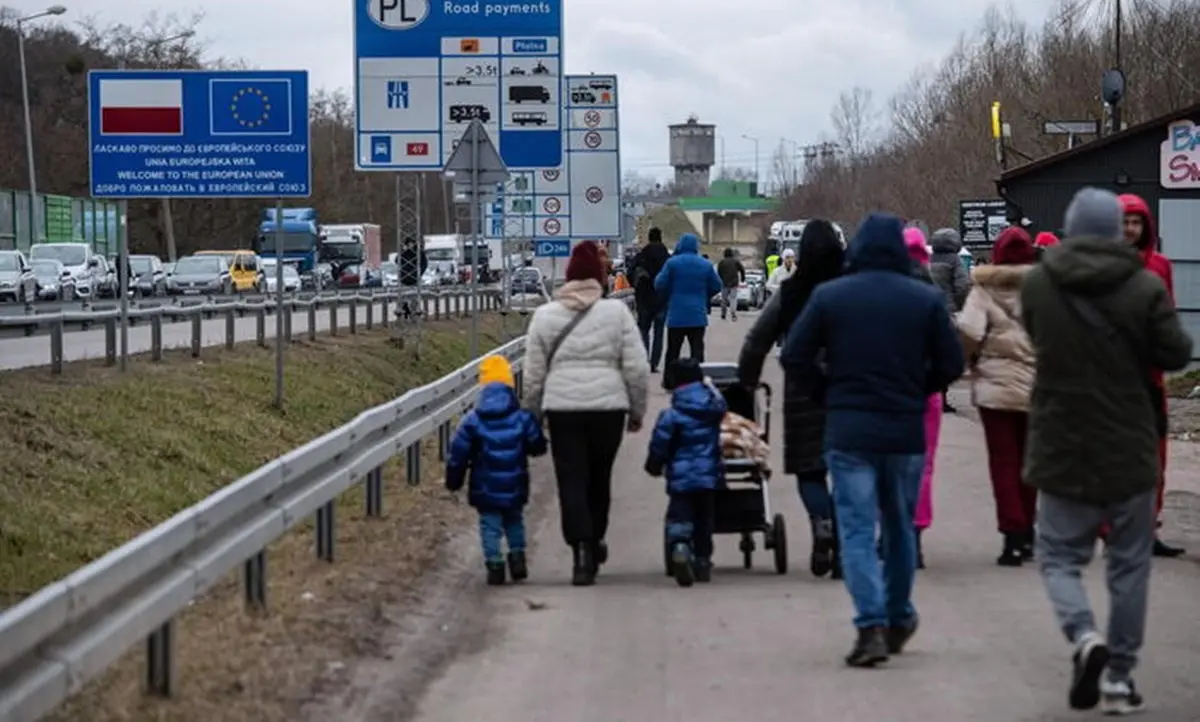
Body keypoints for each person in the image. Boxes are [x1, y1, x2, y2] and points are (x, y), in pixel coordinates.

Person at [1021, 187, 1191, 714]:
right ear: (1119, 230)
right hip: (1129, 441)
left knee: (1058, 557)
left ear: (1071, 228)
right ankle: (1119, 678)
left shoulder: (1039, 285)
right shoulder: (1143, 285)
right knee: (1129, 565)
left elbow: (1037, 338)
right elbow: (1177, 352)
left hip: (1061, 441)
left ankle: (1083, 636)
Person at [782, 212, 964, 668]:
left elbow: (795, 356)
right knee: (898, 527)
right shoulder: (923, 299)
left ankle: (870, 626)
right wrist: (918, 389)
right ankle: (899, 614)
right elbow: (952, 364)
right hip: (904, 430)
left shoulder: (830, 297)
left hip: (849, 431)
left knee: (858, 528)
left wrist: (827, 392)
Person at [523, 241, 650, 586]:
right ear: (599, 277)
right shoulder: (617, 314)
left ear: (567, 278)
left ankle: (580, 546)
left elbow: (533, 373)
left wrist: (532, 414)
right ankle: (595, 540)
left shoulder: (545, 317)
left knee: (571, 479)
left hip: (562, 410)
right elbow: (637, 368)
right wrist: (637, 410)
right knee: (599, 478)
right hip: (608, 410)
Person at [738, 219, 845, 580]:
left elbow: (757, 339)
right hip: (851, 391)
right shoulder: (852, 287)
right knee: (848, 472)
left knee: (810, 469)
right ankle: (846, 547)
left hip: (803, 391)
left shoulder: (791, 291)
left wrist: (746, 382)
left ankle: (821, 522)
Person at [956, 227, 1039, 567]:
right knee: (1030, 463)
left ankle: (1012, 536)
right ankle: (1030, 531)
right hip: (1039, 386)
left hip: (995, 385)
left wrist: (971, 360)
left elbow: (969, 331)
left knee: (1003, 462)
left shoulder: (983, 289)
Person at [1119, 193, 1184, 559]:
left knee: (1154, 457)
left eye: (1136, 222)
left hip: (1150, 378)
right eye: (1124, 222)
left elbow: (1168, 316)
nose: (1130, 229)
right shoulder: (1102, 265)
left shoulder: (1160, 266)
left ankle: (1148, 527)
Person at [445, 355, 548, 585]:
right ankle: (518, 556)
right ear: (510, 385)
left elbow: (457, 455)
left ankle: (495, 565)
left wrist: (454, 481)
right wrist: (538, 446)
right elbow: (537, 444)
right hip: (515, 484)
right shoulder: (522, 418)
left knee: (489, 525)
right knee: (514, 521)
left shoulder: (472, 421)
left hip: (485, 487)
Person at [645, 357, 728, 587]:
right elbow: (721, 405)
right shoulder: (713, 410)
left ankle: (680, 547)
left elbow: (659, 445)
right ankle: (702, 561)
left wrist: (653, 465)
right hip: (708, 475)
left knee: (680, 516)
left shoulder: (671, 416)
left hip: (681, 478)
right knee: (705, 521)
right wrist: (710, 387)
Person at [903, 227, 942, 570]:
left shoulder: (883, 293)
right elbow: (950, 353)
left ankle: (892, 533)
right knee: (923, 464)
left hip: (890, 392)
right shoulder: (933, 295)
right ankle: (915, 533)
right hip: (926, 392)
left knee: (888, 463)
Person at [654, 233, 723, 387]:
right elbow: (717, 285)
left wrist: (669, 293)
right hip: (698, 314)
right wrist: (705, 295)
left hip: (676, 314)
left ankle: (669, 381)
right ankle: (698, 381)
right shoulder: (705, 264)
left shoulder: (672, 263)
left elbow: (659, 283)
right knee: (697, 351)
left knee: (673, 351)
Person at [929, 228, 971, 413]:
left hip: (927, 309)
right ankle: (943, 396)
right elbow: (962, 286)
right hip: (947, 311)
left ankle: (930, 395)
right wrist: (959, 305)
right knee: (945, 353)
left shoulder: (928, 259)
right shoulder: (955, 261)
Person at [631, 227, 670, 372]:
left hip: (644, 298)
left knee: (643, 330)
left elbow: (630, 272)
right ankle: (654, 363)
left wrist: (638, 288)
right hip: (661, 299)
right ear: (661, 237)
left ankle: (644, 360)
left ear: (649, 237)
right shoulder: (667, 257)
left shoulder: (642, 255)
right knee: (659, 332)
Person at [716, 248, 745, 321]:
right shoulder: (736, 262)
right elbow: (742, 269)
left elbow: (718, 272)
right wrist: (742, 278)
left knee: (724, 299)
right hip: (734, 283)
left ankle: (723, 313)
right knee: (733, 298)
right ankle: (733, 313)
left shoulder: (721, 262)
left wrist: (721, 279)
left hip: (724, 283)